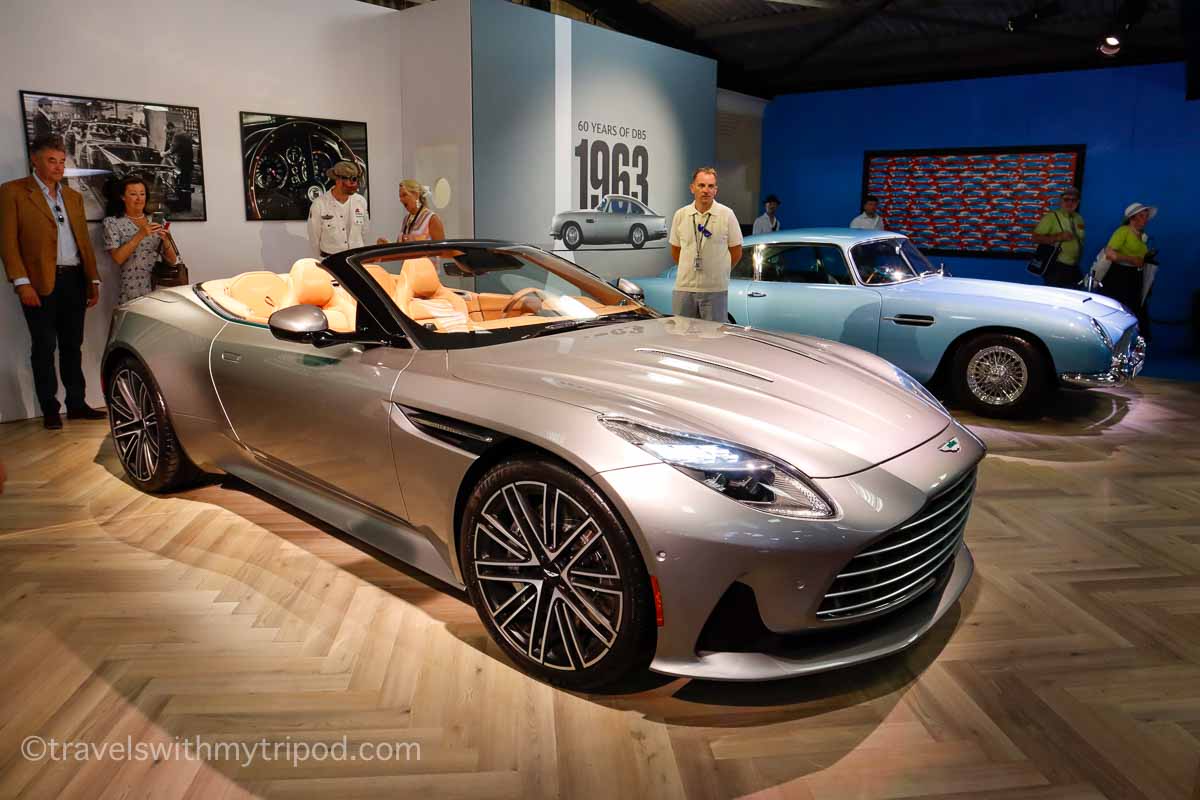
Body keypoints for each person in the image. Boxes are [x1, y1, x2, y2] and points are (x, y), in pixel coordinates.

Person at [0, 134, 105, 429]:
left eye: (62, 161)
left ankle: (76, 403)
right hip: (39, 282)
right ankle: (49, 407)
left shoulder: (71, 196)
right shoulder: (13, 192)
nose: (59, 167)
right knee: (44, 346)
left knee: (73, 345)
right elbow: (8, 243)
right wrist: (22, 283)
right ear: (35, 160)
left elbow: (83, 241)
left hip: (74, 279)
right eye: (52, 161)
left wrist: (92, 279)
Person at [668, 167, 742, 322]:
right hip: (684, 289)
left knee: (713, 340)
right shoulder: (681, 215)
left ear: (716, 190)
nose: (705, 190)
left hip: (715, 290)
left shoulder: (727, 215)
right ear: (692, 188)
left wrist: (719, 272)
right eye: (701, 185)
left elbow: (736, 251)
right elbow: (676, 251)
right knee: (681, 338)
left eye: (710, 186)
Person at [103, 174, 177, 304]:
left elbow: (172, 260)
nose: (139, 199)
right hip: (130, 288)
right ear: (122, 197)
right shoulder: (112, 222)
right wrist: (140, 235)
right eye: (133, 194)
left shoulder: (156, 220)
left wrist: (165, 239)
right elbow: (118, 258)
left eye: (142, 194)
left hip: (159, 285)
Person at [1100, 202, 1157, 340]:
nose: (1145, 219)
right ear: (1132, 218)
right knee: (1120, 309)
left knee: (1135, 308)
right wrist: (1131, 259)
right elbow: (1110, 253)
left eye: (1146, 216)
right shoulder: (1123, 231)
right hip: (1119, 276)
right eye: (1142, 216)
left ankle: (1133, 340)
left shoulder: (1142, 236)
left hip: (1134, 276)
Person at [307, 161, 369, 258]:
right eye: (351, 180)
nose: (354, 184)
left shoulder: (361, 201)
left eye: (356, 180)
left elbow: (364, 232)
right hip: (331, 261)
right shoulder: (319, 205)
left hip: (356, 259)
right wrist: (320, 262)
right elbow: (314, 239)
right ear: (338, 180)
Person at [1031, 187, 1085, 288]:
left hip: (1073, 266)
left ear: (1078, 202)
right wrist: (1057, 237)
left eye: (1073, 200)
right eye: (1066, 199)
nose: (1070, 203)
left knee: (1076, 293)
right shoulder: (1051, 217)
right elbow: (1035, 238)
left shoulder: (1079, 218)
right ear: (1061, 201)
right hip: (1057, 266)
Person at [378, 179, 445, 243]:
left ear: (416, 195)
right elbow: (402, 248)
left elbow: (441, 251)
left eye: (404, 195)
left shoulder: (431, 218)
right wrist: (388, 244)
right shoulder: (406, 219)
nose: (401, 200)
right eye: (400, 196)